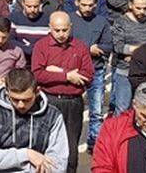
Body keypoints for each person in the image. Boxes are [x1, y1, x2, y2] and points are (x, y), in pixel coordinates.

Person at [31, 11, 93, 173]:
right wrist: (67, 75)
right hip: (49, 100)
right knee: (45, 144)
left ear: (70, 28)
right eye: (57, 30)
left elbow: (88, 75)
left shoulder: (80, 47)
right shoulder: (41, 46)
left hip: (73, 102)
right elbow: (38, 75)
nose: (61, 34)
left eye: (64, 30)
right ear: (50, 28)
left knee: (71, 149)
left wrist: (56, 71)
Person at [0, 68, 68, 173]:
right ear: (6, 91)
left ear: (37, 92)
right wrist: (27, 155)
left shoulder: (53, 115)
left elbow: (59, 165)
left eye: (26, 100)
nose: (21, 105)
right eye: (15, 99)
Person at [68, 0, 112, 151]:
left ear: (95, 5)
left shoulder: (101, 22)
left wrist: (99, 48)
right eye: (84, 5)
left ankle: (94, 143)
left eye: (90, 5)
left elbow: (109, 45)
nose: (87, 8)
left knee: (96, 111)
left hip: (96, 70)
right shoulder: (69, 20)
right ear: (77, 3)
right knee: (72, 111)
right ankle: (70, 142)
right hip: (73, 71)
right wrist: (87, 48)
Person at [111, 0, 146, 114]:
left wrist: (135, 53)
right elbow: (118, 46)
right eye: (138, 8)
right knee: (123, 108)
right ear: (130, 5)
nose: (142, 11)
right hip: (125, 71)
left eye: (145, 8)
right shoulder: (120, 23)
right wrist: (142, 51)